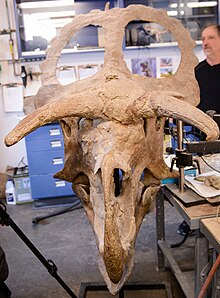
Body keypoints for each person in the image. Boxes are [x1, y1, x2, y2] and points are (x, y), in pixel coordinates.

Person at [178, 24, 220, 237]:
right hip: (201, 140)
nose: (205, 43)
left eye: (211, 38)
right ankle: (196, 220)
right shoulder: (197, 72)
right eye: (203, 38)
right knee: (203, 183)